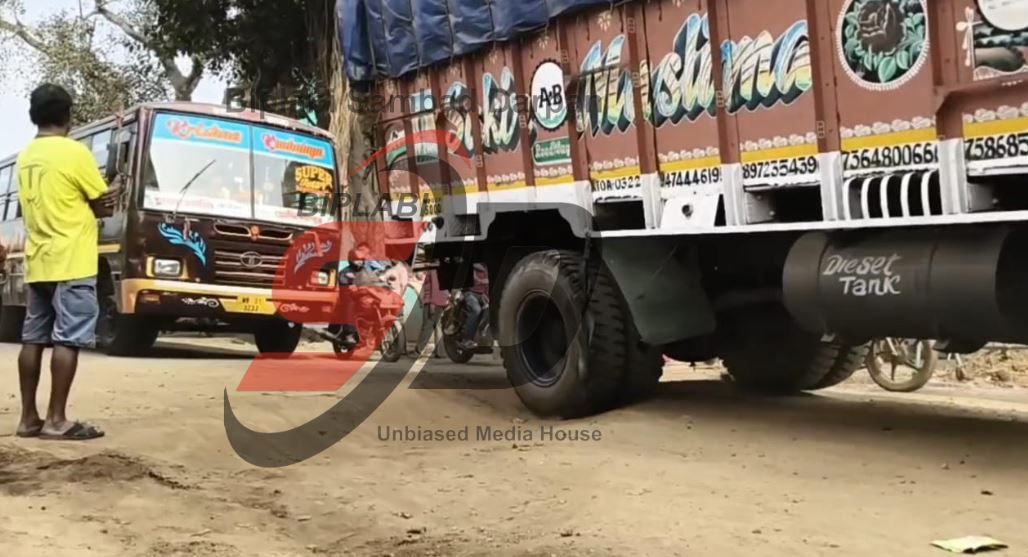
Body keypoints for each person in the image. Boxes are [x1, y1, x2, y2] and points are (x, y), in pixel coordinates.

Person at [16, 84, 119, 441]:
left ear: (35, 115)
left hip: (38, 261)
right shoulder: (75, 153)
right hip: (72, 260)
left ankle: (28, 418)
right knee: (68, 339)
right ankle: (57, 420)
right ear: (68, 115)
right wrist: (112, 194)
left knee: (33, 339)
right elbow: (102, 205)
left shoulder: (26, 156)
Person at [413, 269, 449, 358]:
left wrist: (433, 303)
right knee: (437, 326)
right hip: (440, 301)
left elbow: (435, 287)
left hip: (432, 301)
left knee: (427, 326)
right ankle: (440, 352)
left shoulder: (433, 270)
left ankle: (418, 350)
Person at [458, 263, 489, 352]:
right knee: (476, 310)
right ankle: (467, 339)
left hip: (483, 295)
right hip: (470, 293)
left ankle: (482, 333)